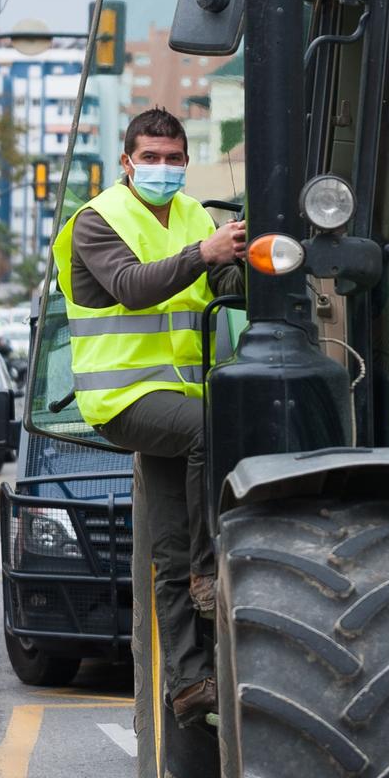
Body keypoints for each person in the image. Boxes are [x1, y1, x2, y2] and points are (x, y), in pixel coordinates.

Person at [52, 106, 244, 723]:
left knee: (165, 547)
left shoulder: (195, 216)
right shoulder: (96, 221)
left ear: (187, 162)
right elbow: (133, 286)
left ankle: (189, 683)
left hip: (183, 394)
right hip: (123, 399)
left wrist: (249, 261)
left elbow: (223, 288)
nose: (163, 167)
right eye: (151, 157)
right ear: (127, 162)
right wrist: (205, 253)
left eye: (173, 157)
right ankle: (209, 568)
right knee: (210, 431)